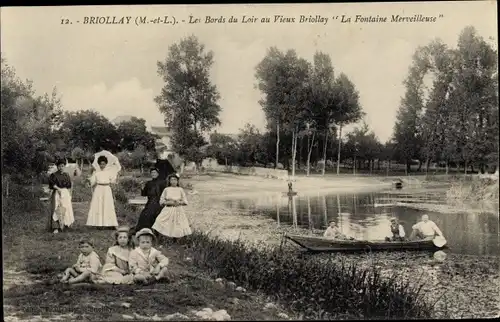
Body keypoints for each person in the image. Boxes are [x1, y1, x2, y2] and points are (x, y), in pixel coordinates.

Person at [152, 174, 192, 242]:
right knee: (158, 221)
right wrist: (169, 202)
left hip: (178, 210)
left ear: (177, 181)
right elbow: (161, 201)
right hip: (168, 209)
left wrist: (178, 202)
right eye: (172, 180)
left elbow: (185, 201)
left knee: (177, 225)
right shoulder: (166, 189)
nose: (173, 181)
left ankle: (176, 241)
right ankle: (158, 239)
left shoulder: (180, 189)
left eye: (175, 180)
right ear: (169, 181)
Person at [86, 156, 119, 229]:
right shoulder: (96, 172)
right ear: (99, 164)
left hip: (107, 189)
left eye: (103, 164)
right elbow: (92, 182)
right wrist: (89, 180)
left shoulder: (109, 172)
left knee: (107, 206)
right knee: (99, 206)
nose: (102, 165)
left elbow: (113, 181)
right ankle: (99, 223)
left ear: (106, 164)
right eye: (101, 164)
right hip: (99, 190)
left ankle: (109, 223)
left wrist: (116, 176)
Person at [134, 168, 167, 233]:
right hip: (150, 201)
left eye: (155, 173)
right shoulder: (149, 183)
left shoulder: (163, 182)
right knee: (144, 214)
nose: (153, 174)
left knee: (151, 213)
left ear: (158, 174)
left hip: (158, 201)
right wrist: (142, 187)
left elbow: (165, 193)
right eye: (152, 173)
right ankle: (143, 230)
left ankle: (152, 229)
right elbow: (144, 194)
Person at [47, 159, 75, 234]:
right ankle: (55, 227)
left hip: (65, 193)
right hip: (57, 192)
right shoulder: (54, 175)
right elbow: (52, 184)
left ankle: (64, 225)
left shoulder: (66, 175)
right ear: (57, 166)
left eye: (62, 166)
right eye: (59, 166)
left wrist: (69, 195)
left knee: (65, 208)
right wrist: (58, 189)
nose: (61, 167)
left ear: (64, 166)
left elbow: (69, 186)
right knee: (57, 208)